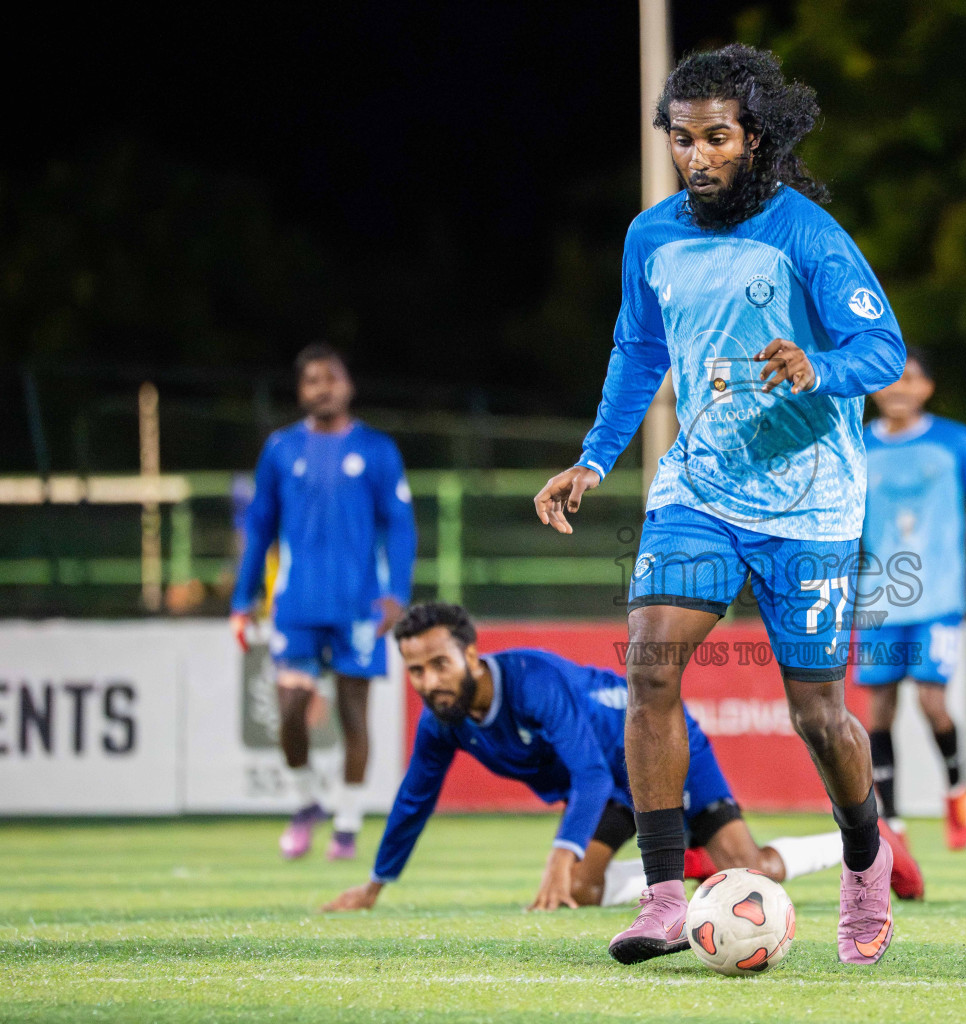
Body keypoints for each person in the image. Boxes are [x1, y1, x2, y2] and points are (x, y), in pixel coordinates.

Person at [533, 44, 911, 965]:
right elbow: (639, 354)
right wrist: (592, 458)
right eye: (682, 138)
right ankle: (666, 894)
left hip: (812, 504)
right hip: (699, 488)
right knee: (652, 668)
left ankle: (867, 861)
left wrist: (818, 366)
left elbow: (884, 351)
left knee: (819, 716)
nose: (697, 156)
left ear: (756, 139)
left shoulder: (809, 235)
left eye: (717, 137)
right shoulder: (650, 236)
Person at [320, 603, 914, 915]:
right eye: (415, 671)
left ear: (472, 655)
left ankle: (868, 840)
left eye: (438, 665)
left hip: (664, 750)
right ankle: (692, 869)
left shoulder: (532, 680)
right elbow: (414, 799)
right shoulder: (442, 721)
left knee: (750, 871)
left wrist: (560, 853)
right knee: (579, 890)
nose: (427, 681)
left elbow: (589, 773)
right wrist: (378, 881)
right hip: (614, 787)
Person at [229, 344, 416, 861]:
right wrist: (242, 600)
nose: (322, 388)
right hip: (296, 603)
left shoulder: (376, 450)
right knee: (289, 712)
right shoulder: (281, 450)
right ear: (301, 391)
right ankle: (308, 801)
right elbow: (260, 527)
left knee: (355, 716)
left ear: (348, 385)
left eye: (330, 378)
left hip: (361, 607)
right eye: (311, 380)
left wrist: (396, 594)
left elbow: (400, 527)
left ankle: (348, 825)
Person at [858, 349, 966, 851]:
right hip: (878, 599)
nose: (899, 388)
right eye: (889, 379)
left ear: (928, 388)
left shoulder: (954, 440)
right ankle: (892, 824)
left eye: (911, 378)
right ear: (874, 386)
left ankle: (957, 792)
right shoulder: (857, 445)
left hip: (940, 598)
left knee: (931, 700)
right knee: (879, 708)